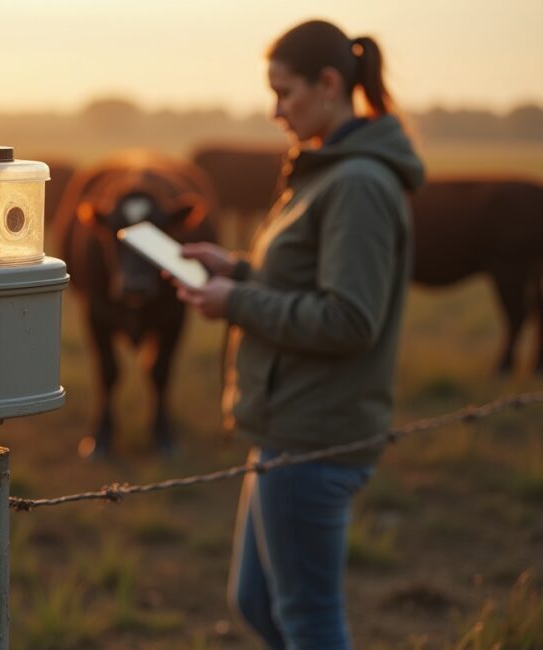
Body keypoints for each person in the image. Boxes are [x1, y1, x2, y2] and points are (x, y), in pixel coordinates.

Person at [173, 19, 425, 649]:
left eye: (284, 93)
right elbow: (308, 279)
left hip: (315, 435)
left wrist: (236, 300)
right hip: (287, 423)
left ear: (330, 84)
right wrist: (238, 269)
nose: (275, 111)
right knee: (257, 603)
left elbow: (348, 319)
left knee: (308, 621)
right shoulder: (327, 172)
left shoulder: (359, 184)